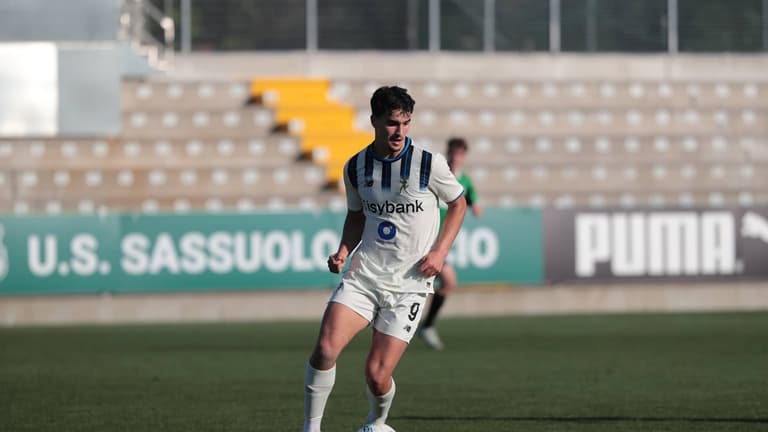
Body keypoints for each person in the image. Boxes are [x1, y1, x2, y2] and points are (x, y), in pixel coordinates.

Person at [303, 86, 467, 432]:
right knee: (325, 349)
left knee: (377, 377)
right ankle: (311, 428)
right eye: (392, 123)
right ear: (374, 120)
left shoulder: (428, 163)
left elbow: (458, 204)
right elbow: (356, 215)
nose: (400, 132)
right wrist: (344, 251)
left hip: (409, 284)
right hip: (365, 276)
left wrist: (440, 253)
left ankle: (377, 423)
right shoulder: (356, 167)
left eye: (406, 123)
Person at [418, 137, 482, 351]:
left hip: (442, 241)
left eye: (460, 153)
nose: (456, 156)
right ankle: (422, 326)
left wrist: (475, 206)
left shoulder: (465, 180)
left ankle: (425, 325)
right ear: (448, 152)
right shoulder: (439, 172)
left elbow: (470, 199)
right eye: (453, 152)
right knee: (442, 281)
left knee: (445, 283)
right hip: (427, 237)